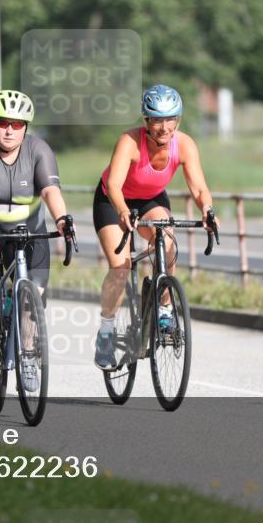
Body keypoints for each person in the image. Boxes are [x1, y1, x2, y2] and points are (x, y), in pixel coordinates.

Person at [92, 85, 219, 369]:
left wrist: (208, 210)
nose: (164, 127)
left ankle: (164, 306)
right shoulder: (129, 141)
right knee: (120, 266)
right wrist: (124, 211)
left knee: (167, 237)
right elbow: (113, 185)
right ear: (146, 121)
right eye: (157, 120)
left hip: (150, 199)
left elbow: (199, 188)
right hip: (114, 200)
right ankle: (106, 330)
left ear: (178, 119)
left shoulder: (184, 144)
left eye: (170, 119)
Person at [0, 89, 75, 349]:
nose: (9, 130)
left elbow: (51, 191)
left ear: (25, 127)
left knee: (34, 299)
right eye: (2, 123)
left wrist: (62, 219)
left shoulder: (38, 150)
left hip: (27, 225)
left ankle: (29, 355)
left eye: (16, 124)